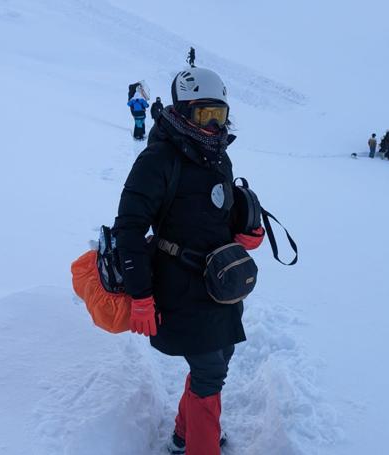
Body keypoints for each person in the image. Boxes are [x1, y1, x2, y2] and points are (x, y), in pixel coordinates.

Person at [113, 67, 264, 455]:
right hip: (177, 284)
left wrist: (244, 230)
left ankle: (186, 434)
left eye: (219, 115)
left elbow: (216, 210)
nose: (213, 125)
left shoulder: (217, 157)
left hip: (218, 287)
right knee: (210, 371)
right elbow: (129, 230)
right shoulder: (158, 160)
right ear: (182, 111)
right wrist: (141, 295)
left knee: (219, 362)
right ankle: (201, 445)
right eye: (204, 115)